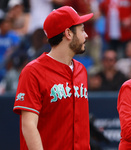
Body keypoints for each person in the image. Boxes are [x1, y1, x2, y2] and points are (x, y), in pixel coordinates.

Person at [13, 6, 93, 150]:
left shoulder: (81, 69)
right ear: (68, 33)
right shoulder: (33, 72)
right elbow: (28, 125)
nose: (86, 35)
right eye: (82, 30)